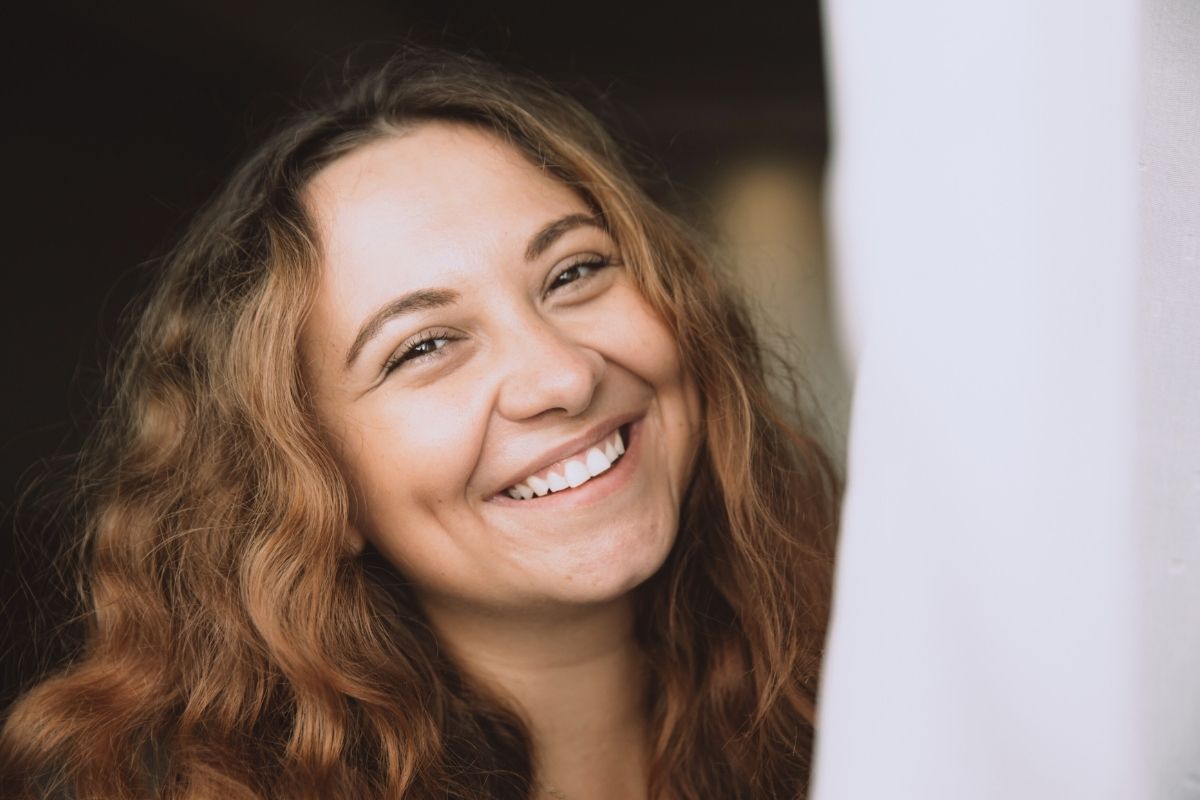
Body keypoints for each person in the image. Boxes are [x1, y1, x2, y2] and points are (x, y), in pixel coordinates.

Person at [0, 45, 839, 800]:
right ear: (308, 473)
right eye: (426, 345)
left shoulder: (883, 693)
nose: (562, 374)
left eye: (574, 271)